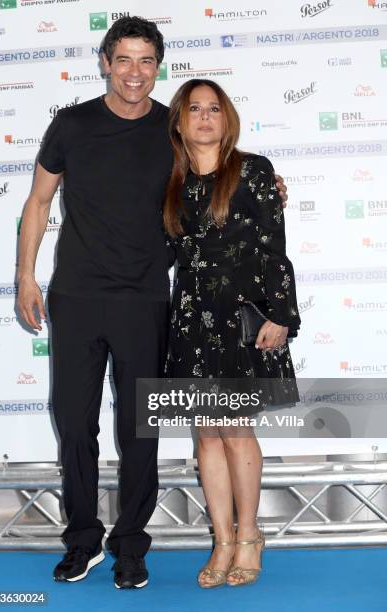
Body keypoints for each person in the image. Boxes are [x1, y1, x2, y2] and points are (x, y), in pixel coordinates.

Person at [16, 17, 289, 589]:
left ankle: (132, 547)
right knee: (74, 425)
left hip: (147, 301)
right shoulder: (71, 124)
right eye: (124, 59)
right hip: (76, 297)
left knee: (141, 430)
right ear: (106, 62)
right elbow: (39, 202)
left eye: (146, 61)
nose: (135, 72)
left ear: (157, 66)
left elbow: (223, 175)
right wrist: (25, 276)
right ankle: (83, 539)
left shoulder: (173, 128)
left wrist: (269, 185)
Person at [163, 79, 301, 588]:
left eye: (213, 108)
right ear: (178, 121)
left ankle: (249, 536)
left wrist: (280, 315)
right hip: (191, 321)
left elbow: (274, 250)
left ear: (227, 118)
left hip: (242, 319)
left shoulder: (253, 171)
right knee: (205, 435)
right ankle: (221, 541)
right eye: (193, 109)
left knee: (237, 429)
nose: (203, 117)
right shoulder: (170, 181)